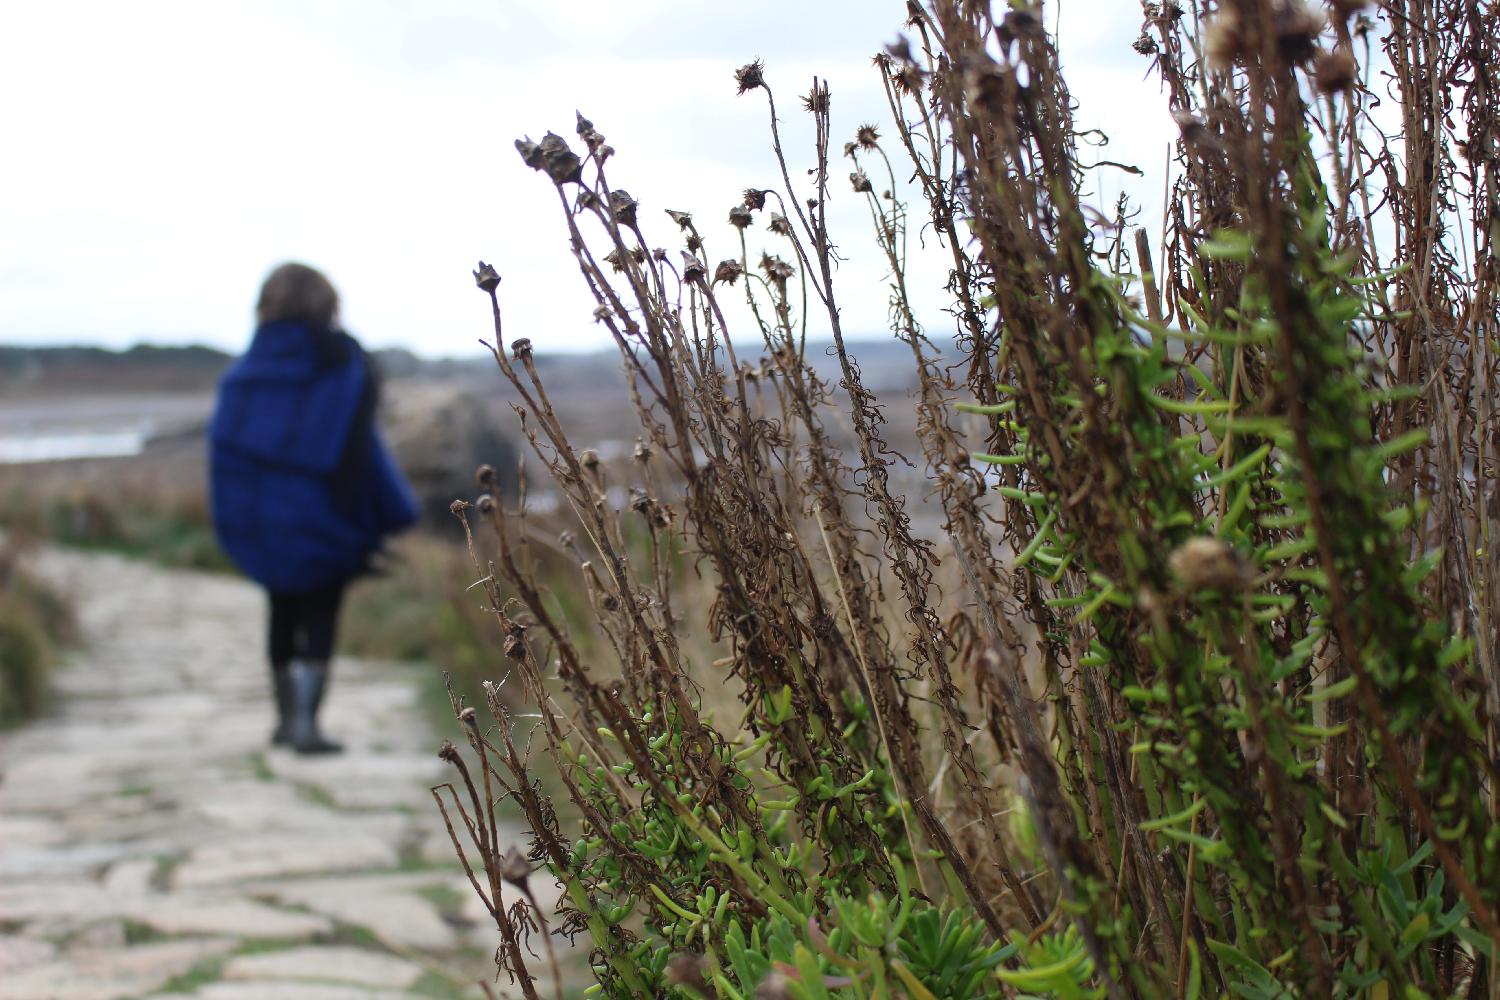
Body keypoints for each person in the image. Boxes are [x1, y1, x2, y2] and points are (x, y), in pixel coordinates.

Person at [208, 263, 420, 755]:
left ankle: (285, 721)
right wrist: (397, 510)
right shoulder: (340, 367)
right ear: (327, 307)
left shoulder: (241, 376)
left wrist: (236, 520)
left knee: (281, 609)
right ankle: (306, 724)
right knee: (321, 614)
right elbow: (360, 449)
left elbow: (226, 462)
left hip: (260, 523)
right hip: (325, 519)